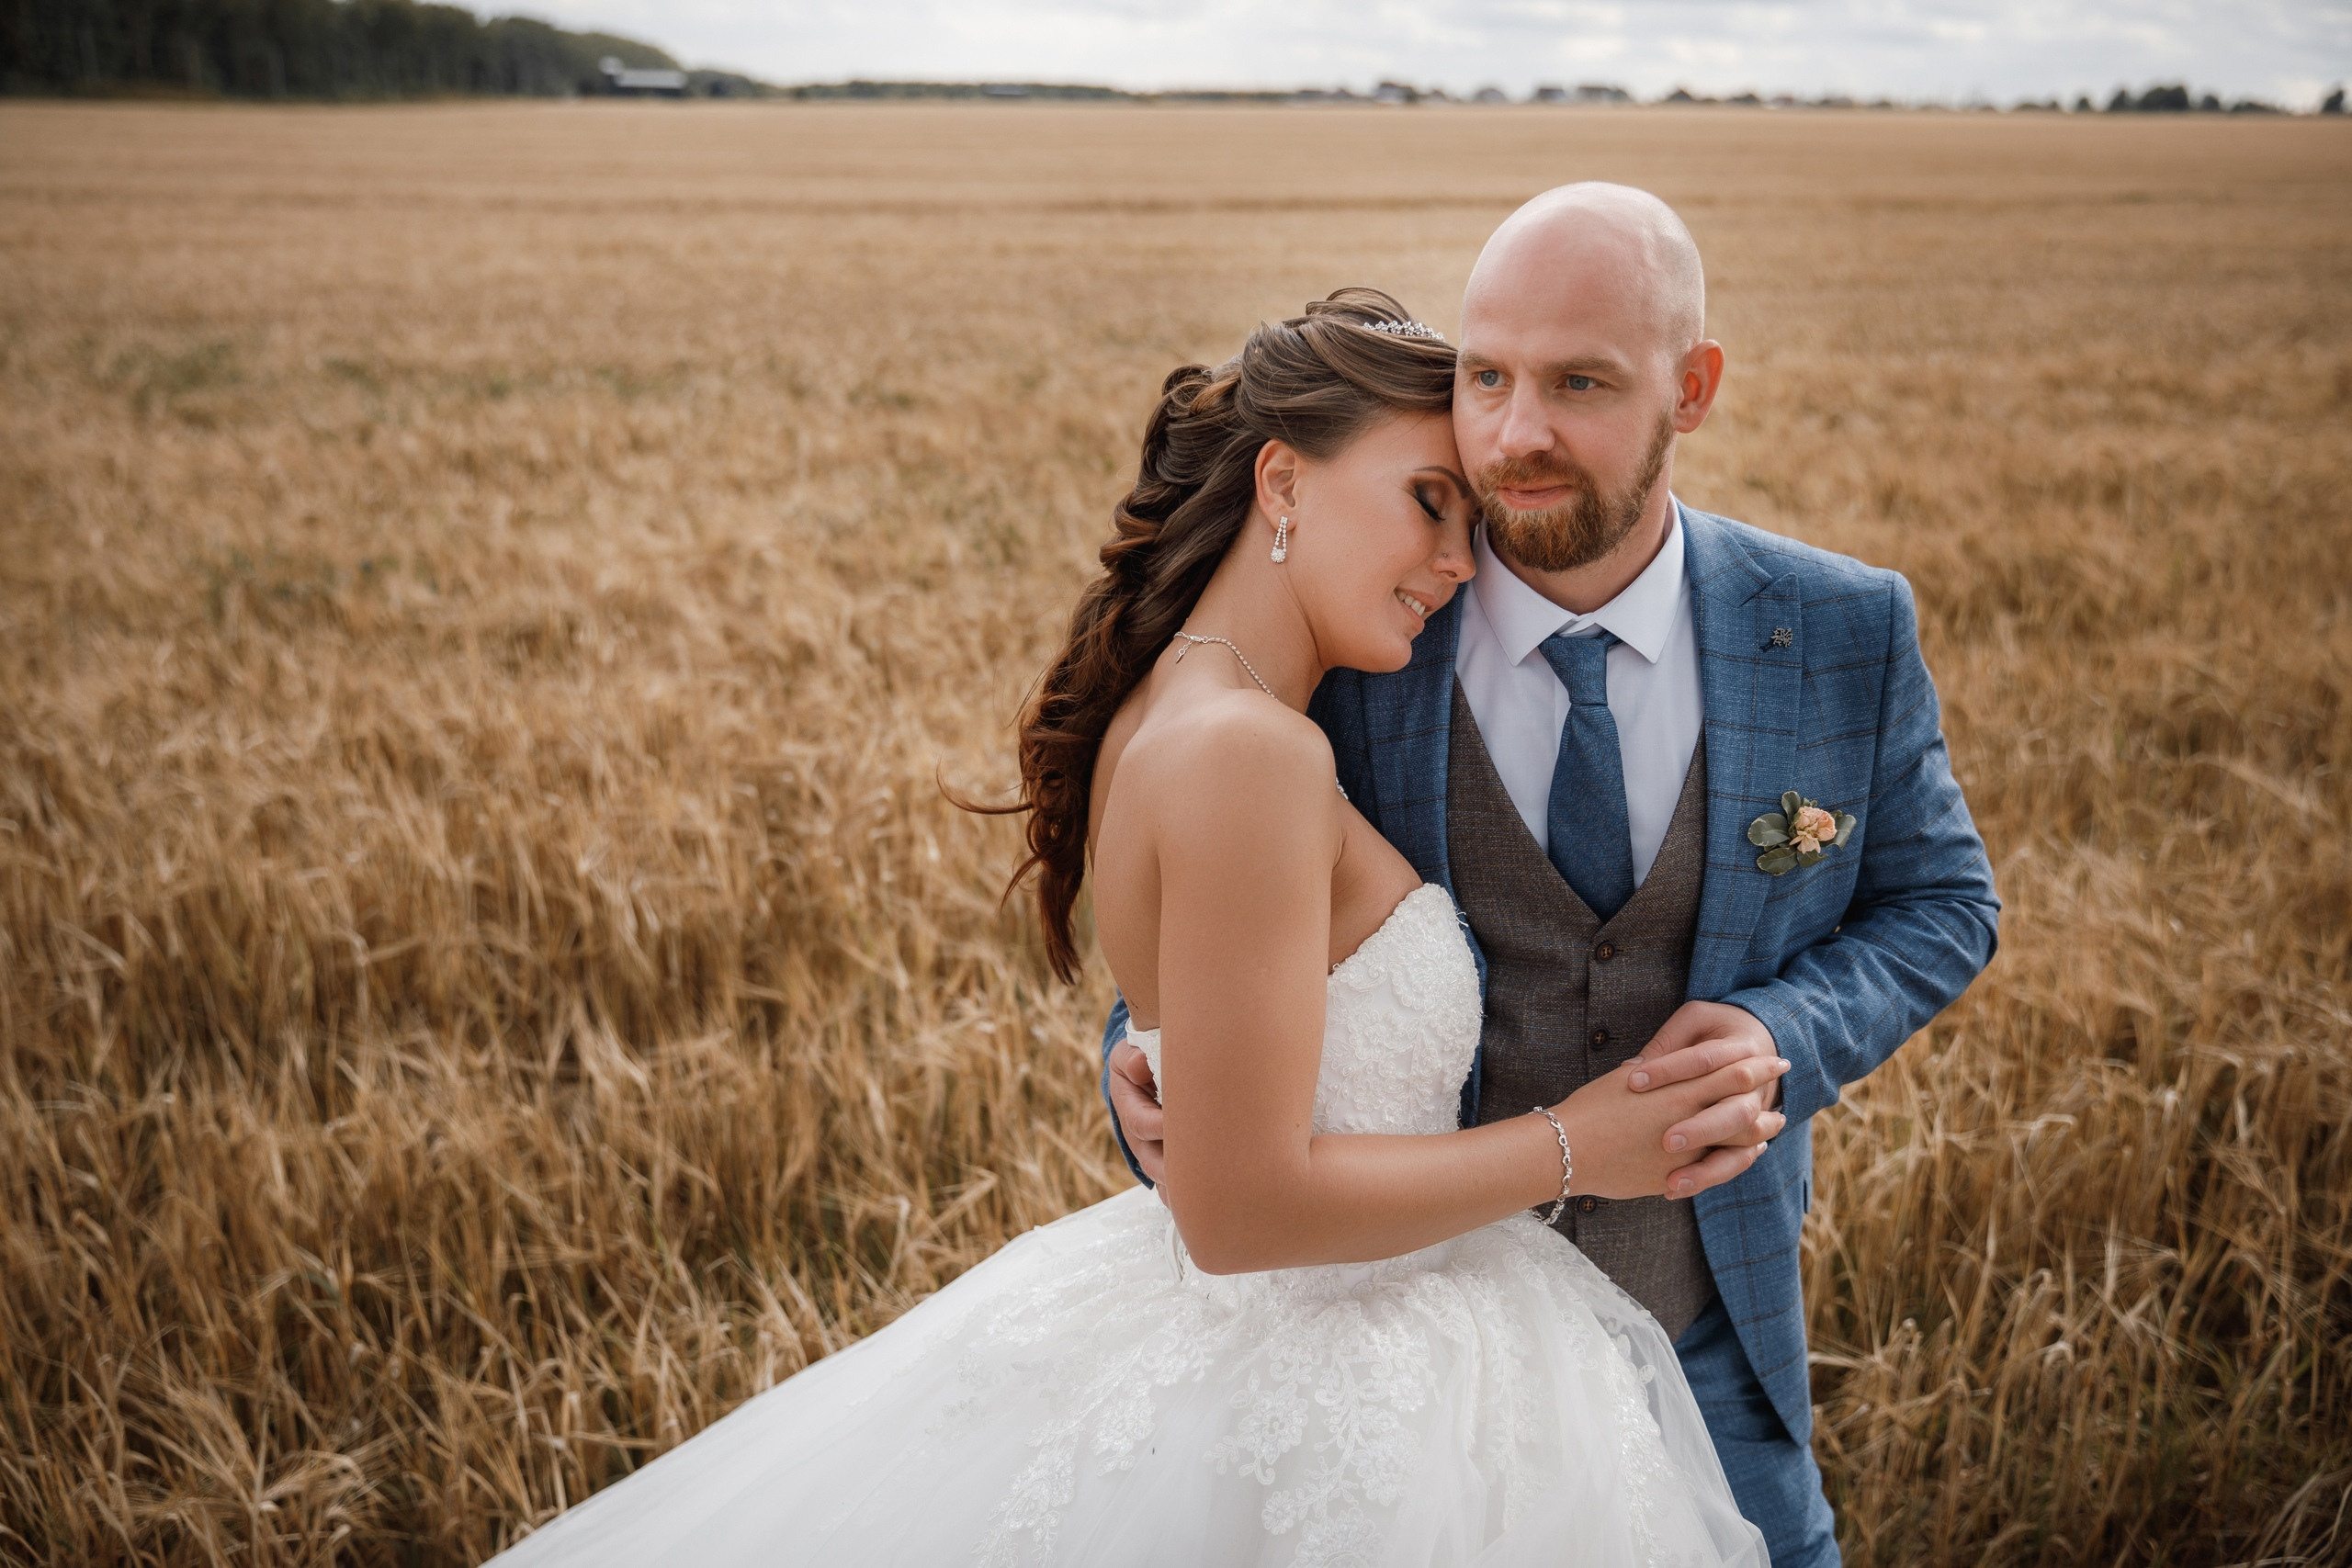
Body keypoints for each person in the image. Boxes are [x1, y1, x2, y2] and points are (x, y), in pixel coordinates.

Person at [485, 287, 1772, 1566]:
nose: (1456, 562)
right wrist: (1573, 1146)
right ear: (1281, 482)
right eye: (1429, 502)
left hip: (1291, 1338)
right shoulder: (1248, 753)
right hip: (1333, 1373)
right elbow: (1237, 1207)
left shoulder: (1181, 714)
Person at [1103, 185, 2000, 1566]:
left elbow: (1944, 904)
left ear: (1691, 389)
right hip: (1405, 1388)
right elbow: (1220, 890)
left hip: (1708, 1329)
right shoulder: (1362, 639)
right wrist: (1142, 1049)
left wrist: (1779, 1033)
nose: (1516, 435)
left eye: (1580, 383)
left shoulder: (1838, 631)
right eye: (1486, 377)